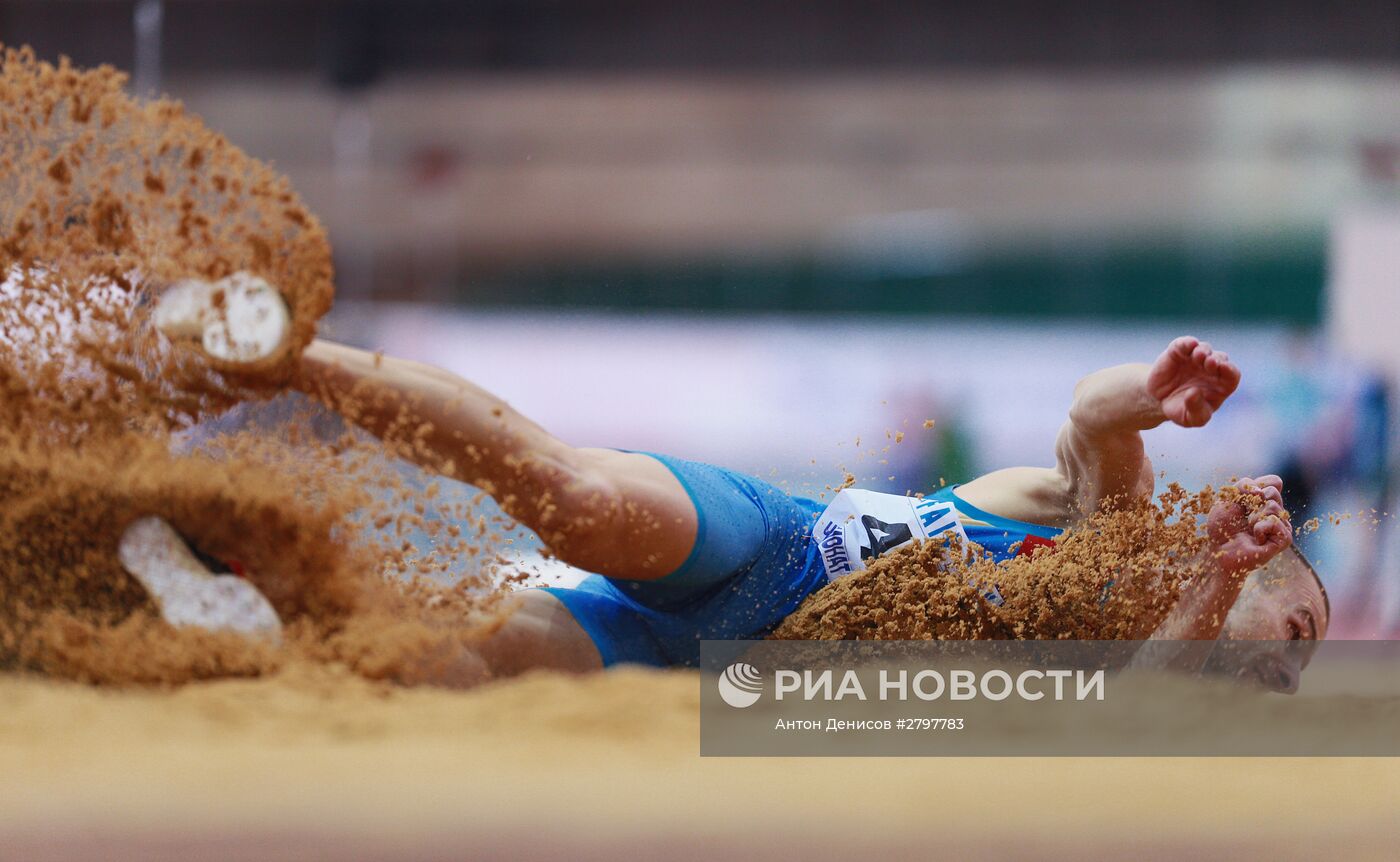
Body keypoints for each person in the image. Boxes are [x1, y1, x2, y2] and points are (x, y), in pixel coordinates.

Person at [121, 275, 1327, 690]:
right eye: (1301, 627)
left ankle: (229, 580)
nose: (1289, 661)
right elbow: (1091, 416)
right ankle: (270, 348)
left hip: (708, 675)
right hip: (769, 548)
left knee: (447, 667)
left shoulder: (1144, 670)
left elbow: (1147, 699)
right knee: (571, 499)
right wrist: (1150, 394)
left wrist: (1216, 603)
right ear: (1261, 562)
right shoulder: (1117, 540)